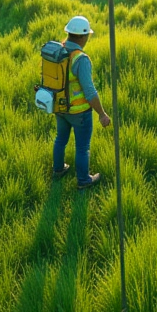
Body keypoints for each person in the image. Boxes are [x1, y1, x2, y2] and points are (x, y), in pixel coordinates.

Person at [53, 16, 111, 189]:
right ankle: (84, 180)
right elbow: (90, 91)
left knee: (60, 139)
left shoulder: (57, 51)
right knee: (82, 148)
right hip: (79, 112)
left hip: (59, 107)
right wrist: (102, 114)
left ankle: (58, 170)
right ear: (82, 37)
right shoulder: (81, 59)